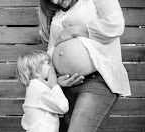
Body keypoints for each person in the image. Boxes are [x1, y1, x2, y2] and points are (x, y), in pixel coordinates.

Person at [38, 0, 132, 131]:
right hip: (66, 87)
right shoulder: (58, 14)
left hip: (95, 80)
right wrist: (56, 80)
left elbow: (115, 24)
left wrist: (74, 31)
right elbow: (52, 50)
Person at [16, 50, 69, 132]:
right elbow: (63, 107)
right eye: (48, 63)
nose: (52, 66)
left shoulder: (35, 86)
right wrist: (55, 85)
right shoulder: (39, 88)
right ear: (36, 71)